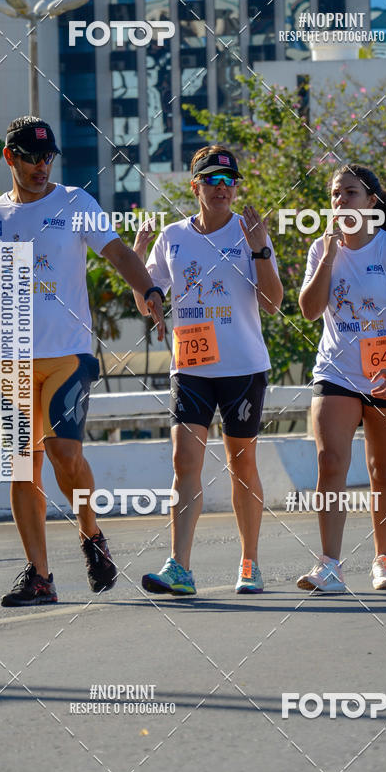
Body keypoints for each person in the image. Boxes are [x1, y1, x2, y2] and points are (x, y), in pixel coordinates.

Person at [0, 116, 165, 606]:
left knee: (65, 454)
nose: (42, 166)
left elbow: (118, 253)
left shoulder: (75, 203)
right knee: (23, 467)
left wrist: (147, 287)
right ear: (10, 158)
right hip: (15, 361)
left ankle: (91, 534)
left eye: (48, 157)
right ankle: (40, 576)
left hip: (68, 354)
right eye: (31, 157)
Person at [133, 145, 283, 595]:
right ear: (195, 186)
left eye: (229, 181)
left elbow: (273, 304)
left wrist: (259, 251)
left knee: (241, 464)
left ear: (236, 187)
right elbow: (148, 301)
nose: (222, 189)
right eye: (212, 181)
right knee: (184, 462)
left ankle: (250, 563)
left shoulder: (251, 231)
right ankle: (180, 567)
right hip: (192, 365)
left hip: (242, 366)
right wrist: (140, 266)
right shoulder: (173, 237)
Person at [297, 164, 386, 593]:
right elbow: (309, 309)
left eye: (350, 193)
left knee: (382, 470)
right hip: (336, 372)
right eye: (334, 194)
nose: (340, 201)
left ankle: (384, 561)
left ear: (371, 201)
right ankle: (329, 565)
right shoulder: (321, 248)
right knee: (330, 463)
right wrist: (329, 258)